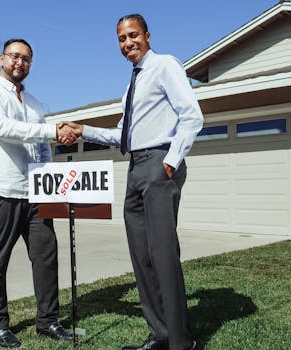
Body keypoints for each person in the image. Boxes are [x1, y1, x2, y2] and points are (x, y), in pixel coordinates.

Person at [60, 14, 202, 350]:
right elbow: (122, 134)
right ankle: (160, 334)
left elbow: (192, 116)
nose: (128, 44)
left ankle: (181, 343)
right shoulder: (131, 85)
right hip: (136, 167)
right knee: (142, 255)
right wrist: (85, 130)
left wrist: (170, 161)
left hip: (158, 164)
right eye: (122, 39)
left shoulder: (165, 65)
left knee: (163, 254)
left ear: (148, 36)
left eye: (133, 35)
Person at [0, 38, 77, 348]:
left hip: (36, 193)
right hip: (1, 190)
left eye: (27, 59)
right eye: (15, 56)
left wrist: (49, 180)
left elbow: (41, 148)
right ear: (2, 59)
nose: (20, 62)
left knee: (46, 256)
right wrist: (52, 130)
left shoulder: (34, 103)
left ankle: (48, 321)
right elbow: (5, 129)